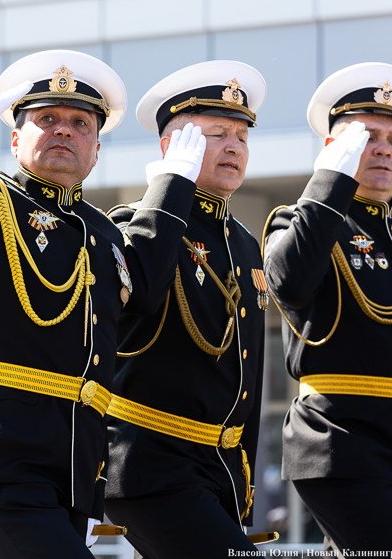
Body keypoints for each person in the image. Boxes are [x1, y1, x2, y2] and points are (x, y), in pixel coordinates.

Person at [0, 49, 206, 558]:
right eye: (46, 119)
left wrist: (172, 189)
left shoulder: (102, 231)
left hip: (73, 468)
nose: (64, 131)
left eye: (80, 123)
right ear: (15, 138)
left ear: (96, 148)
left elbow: (143, 294)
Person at [103, 61, 268, 556]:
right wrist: (170, 188)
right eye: (215, 134)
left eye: (242, 135)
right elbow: (140, 300)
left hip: (218, 470)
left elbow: (248, 378)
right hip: (150, 464)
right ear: (169, 148)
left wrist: (244, 484)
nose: (234, 146)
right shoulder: (136, 225)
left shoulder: (242, 242)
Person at [263, 63, 392, 554]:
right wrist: (329, 181)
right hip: (342, 442)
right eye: (365, 136)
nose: (382, 148)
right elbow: (289, 282)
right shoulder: (301, 222)